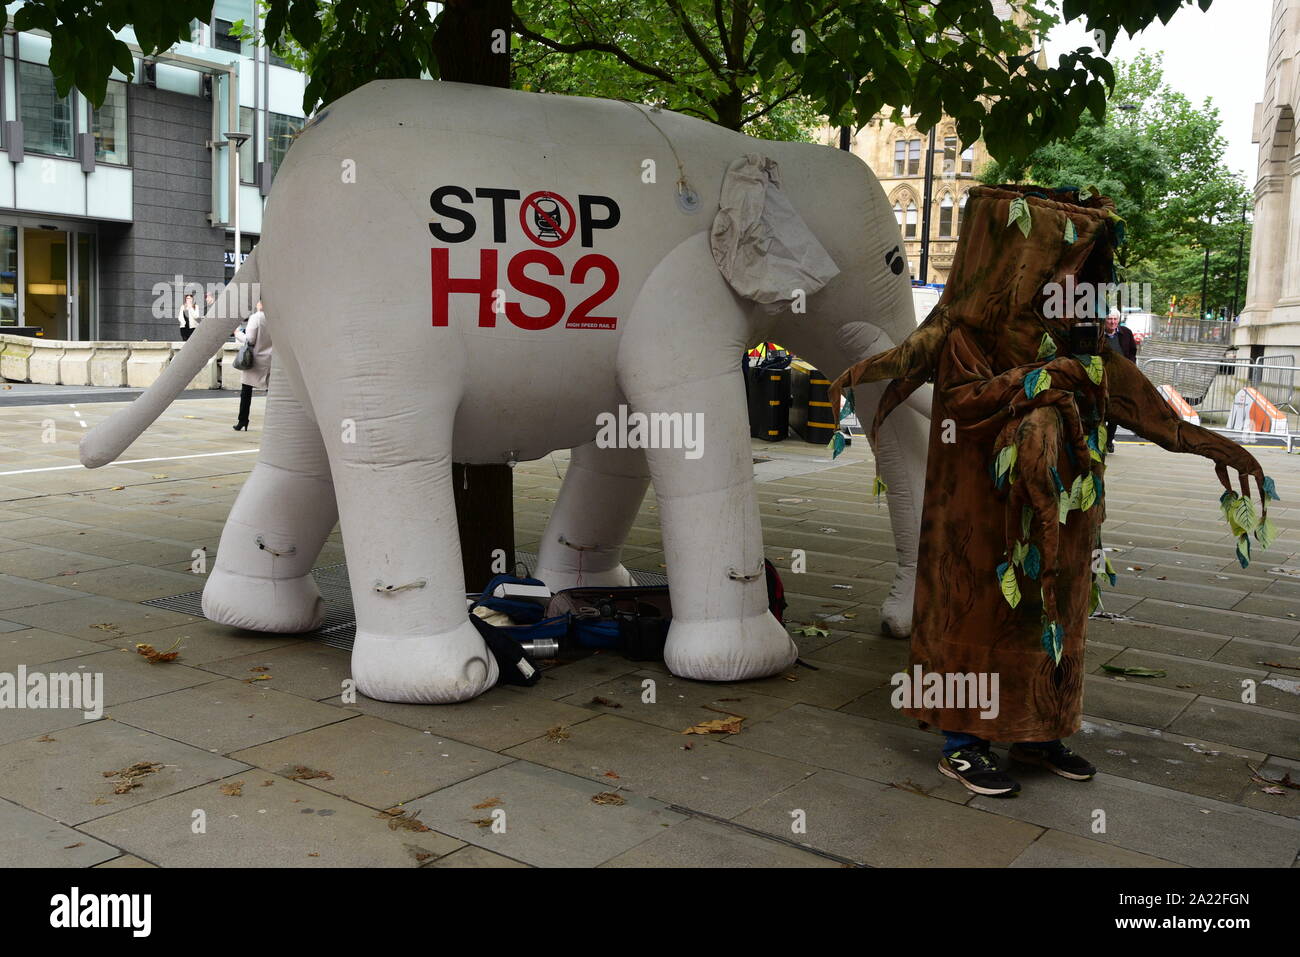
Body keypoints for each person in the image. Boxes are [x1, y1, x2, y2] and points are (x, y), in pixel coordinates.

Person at [1102, 310, 1138, 452]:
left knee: (1115, 412)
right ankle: (1099, 440)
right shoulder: (1099, 334)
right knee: (1101, 410)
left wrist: (1130, 368)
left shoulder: (1126, 333)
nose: (1112, 322)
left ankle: (1109, 441)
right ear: (1104, 321)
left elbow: (1132, 352)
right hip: (1103, 377)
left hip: (1120, 378)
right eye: (1109, 319)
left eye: (1115, 319)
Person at [233, 300, 272, 431]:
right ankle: (271, 422)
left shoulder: (257, 317)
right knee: (271, 392)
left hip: (255, 359)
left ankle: (242, 420)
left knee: (246, 391)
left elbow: (250, 339)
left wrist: (237, 333)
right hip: (271, 359)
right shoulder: (277, 317)